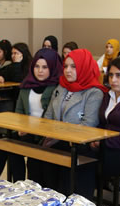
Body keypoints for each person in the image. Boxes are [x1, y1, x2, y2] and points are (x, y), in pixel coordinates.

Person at [28, 49, 106, 197]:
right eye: (66, 66)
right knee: (35, 158)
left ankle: (61, 201)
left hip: (79, 144)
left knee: (58, 161)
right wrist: (49, 134)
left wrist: (57, 136)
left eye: (73, 67)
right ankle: (42, 199)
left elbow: (88, 125)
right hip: (56, 139)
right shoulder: (61, 87)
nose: (68, 70)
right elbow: (48, 116)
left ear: (84, 67)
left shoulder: (94, 92)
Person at [0, 48, 62, 180]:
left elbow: (53, 116)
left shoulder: (57, 88)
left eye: (45, 67)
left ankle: (20, 184)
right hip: (26, 130)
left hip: (44, 134)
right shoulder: (27, 85)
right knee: (4, 145)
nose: (40, 71)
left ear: (52, 67)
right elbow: (19, 112)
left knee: (17, 149)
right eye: (37, 66)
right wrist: (20, 128)